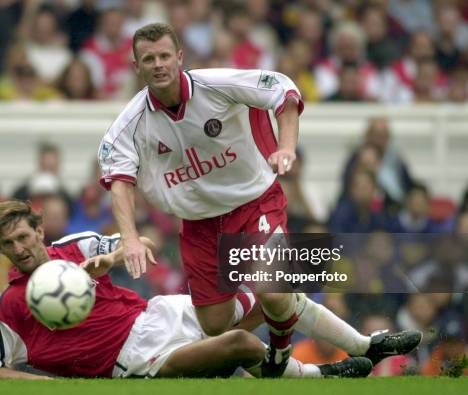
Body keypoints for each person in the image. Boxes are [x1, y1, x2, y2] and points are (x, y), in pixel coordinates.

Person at [97, 23, 420, 376]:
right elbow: (120, 182)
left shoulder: (216, 84)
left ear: (179, 57)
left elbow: (284, 91)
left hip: (255, 202)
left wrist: (286, 147)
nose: (157, 64)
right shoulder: (130, 124)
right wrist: (129, 239)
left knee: (273, 290)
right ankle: (366, 346)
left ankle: (280, 358)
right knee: (216, 325)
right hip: (200, 224)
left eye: (163, 56)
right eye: (148, 59)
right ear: (136, 66)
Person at [0, 200, 373, 379]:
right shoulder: (10, 303)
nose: (20, 249)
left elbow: (142, 243)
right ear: (0, 249)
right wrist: (46, 387)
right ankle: (322, 377)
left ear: (39, 230)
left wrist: (111, 259)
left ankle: (364, 345)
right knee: (242, 345)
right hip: (135, 358)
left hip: (158, 313)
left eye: (24, 237)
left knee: (277, 286)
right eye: (8, 244)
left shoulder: (76, 247)